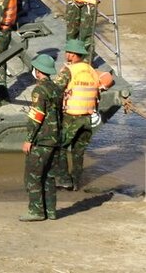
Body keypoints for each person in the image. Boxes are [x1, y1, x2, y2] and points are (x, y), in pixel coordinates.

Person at [51, 39, 105, 191]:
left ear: (72, 55)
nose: (66, 54)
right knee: (78, 151)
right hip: (88, 117)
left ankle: (63, 179)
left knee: (60, 147)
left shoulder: (70, 71)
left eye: (67, 52)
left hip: (72, 116)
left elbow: (55, 90)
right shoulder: (92, 70)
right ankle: (76, 182)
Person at [20, 53, 62, 222]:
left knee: (33, 176)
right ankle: (50, 211)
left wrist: (29, 139)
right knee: (49, 176)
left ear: (38, 71)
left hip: (42, 139)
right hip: (55, 139)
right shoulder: (56, 88)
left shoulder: (39, 90)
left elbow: (37, 116)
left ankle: (36, 211)